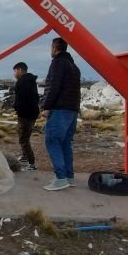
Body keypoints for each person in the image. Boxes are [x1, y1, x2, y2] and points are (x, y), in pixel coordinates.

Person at [40, 37, 81, 191]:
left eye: (51, 47)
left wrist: (46, 107)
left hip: (59, 109)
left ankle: (60, 178)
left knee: (52, 140)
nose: (51, 50)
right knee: (65, 143)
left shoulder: (58, 63)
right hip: (72, 110)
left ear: (55, 47)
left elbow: (53, 86)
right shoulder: (74, 66)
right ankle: (69, 177)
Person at [12, 62, 39, 171]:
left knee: (24, 139)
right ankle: (24, 156)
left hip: (25, 115)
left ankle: (31, 163)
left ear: (19, 70)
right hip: (32, 114)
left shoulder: (21, 82)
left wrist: (17, 108)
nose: (14, 74)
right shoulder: (31, 81)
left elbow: (21, 100)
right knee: (23, 134)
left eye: (14, 71)